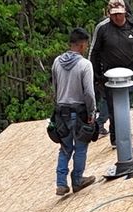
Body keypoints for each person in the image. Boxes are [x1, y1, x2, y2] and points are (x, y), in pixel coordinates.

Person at [90, 0, 133, 144]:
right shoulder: (102, 28)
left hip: (128, 72)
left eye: (119, 14)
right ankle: (115, 137)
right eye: (114, 15)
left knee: (126, 104)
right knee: (112, 106)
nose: (117, 17)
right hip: (108, 73)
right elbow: (94, 52)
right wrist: (93, 74)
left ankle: (123, 133)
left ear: (125, 12)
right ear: (109, 14)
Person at [51, 27, 98, 196]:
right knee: (80, 147)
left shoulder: (57, 62)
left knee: (64, 147)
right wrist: (92, 112)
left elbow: (55, 87)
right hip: (79, 111)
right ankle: (77, 180)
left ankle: (61, 183)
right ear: (83, 45)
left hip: (61, 111)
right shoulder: (85, 65)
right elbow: (89, 92)